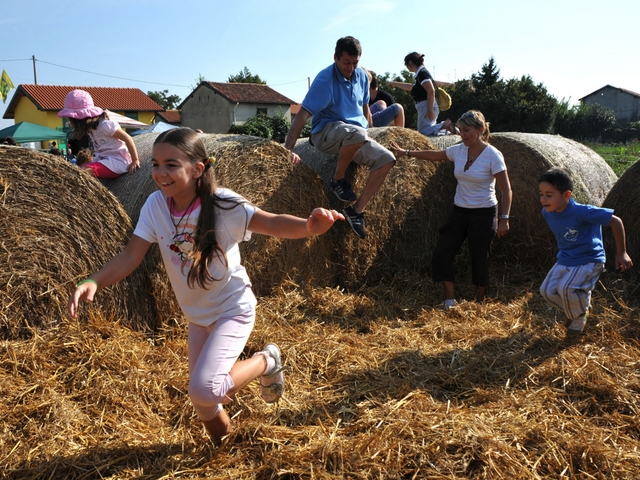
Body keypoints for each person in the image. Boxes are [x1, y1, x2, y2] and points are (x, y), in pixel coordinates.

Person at [67, 128, 344, 444]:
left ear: (198, 169)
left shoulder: (223, 204)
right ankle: (226, 448)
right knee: (203, 403)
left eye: (171, 164)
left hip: (232, 310)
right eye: (155, 164)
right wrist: (93, 281)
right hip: (197, 318)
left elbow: (270, 222)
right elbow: (131, 256)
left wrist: (309, 227)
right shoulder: (155, 206)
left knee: (204, 388)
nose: (160, 173)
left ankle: (267, 360)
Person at [389, 110, 512, 310]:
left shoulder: (493, 156)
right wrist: (407, 153)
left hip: (484, 213)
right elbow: (435, 155)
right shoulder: (458, 150)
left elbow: (506, 190)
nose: (462, 134)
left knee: (479, 257)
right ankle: (449, 301)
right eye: (460, 130)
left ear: (480, 130)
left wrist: (504, 218)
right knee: (442, 253)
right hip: (459, 212)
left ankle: (479, 303)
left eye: (466, 130)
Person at [283, 36, 396, 239]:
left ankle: (356, 211)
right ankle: (337, 179)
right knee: (357, 132)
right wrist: (288, 149)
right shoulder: (325, 80)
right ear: (335, 58)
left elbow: (364, 109)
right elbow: (302, 115)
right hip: (325, 132)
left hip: (354, 135)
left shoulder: (361, 76)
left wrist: (373, 132)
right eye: (346, 63)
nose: (351, 68)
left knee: (387, 159)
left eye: (355, 63)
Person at [538, 167, 633, 337]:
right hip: (566, 258)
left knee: (566, 288)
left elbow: (615, 221)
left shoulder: (582, 211)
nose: (543, 199)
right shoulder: (547, 212)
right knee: (547, 292)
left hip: (590, 259)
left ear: (567, 195)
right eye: (541, 194)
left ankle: (579, 317)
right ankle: (579, 308)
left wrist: (622, 253)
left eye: (549, 195)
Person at [58, 89, 140, 179]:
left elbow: (128, 138)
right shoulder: (90, 130)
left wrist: (135, 160)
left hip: (117, 161)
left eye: (71, 119)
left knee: (84, 172)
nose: (70, 122)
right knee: (79, 169)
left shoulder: (104, 125)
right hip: (103, 160)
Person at [387, 52, 456, 136]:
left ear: (410, 63)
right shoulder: (420, 74)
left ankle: (444, 125)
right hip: (427, 105)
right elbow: (411, 87)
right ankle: (447, 131)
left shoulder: (422, 74)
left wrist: (430, 110)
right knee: (429, 130)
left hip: (426, 105)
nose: (407, 67)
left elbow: (431, 91)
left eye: (406, 65)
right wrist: (395, 84)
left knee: (423, 131)